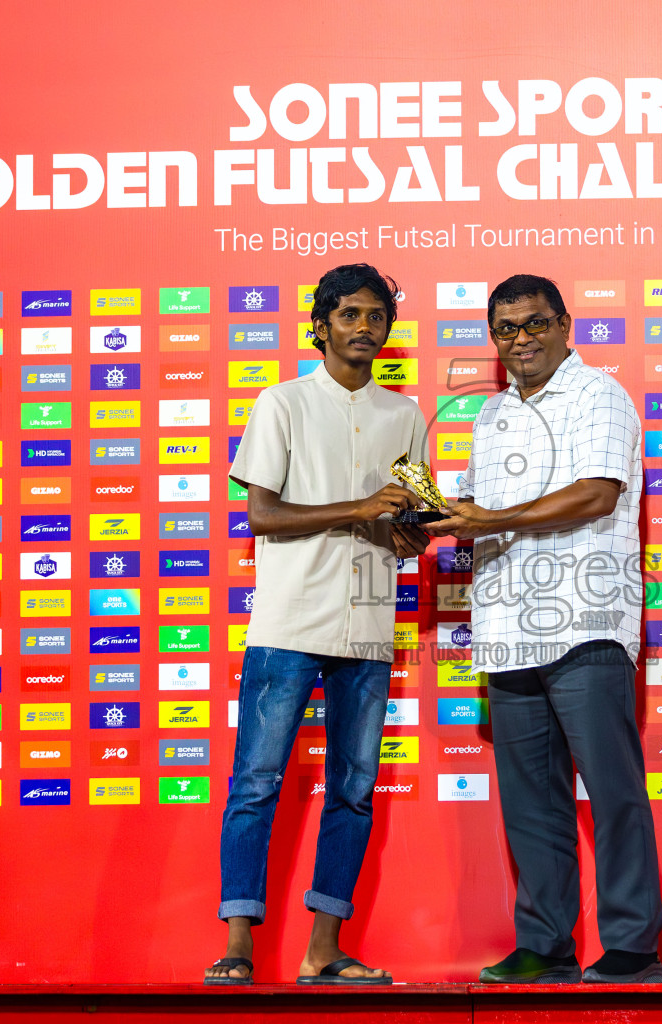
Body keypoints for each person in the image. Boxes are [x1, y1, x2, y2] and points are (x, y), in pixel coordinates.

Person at [425, 274, 662, 984]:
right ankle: (546, 945)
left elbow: (596, 494)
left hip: (586, 622)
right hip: (505, 626)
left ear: (565, 324)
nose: (520, 339)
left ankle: (632, 947)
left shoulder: (600, 395)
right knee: (531, 802)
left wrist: (484, 521)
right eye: (506, 329)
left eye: (534, 324)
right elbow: (473, 507)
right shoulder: (491, 415)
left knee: (613, 791)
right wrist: (423, 521)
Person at [205, 264, 429, 986]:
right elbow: (262, 515)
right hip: (287, 621)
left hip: (367, 624)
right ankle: (237, 945)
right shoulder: (282, 403)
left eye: (377, 316)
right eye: (351, 314)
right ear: (321, 323)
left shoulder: (407, 415)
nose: (365, 327)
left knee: (355, 789)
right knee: (257, 783)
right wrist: (360, 507)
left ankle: (323, 951)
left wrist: (413, 530)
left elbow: (407, 533)